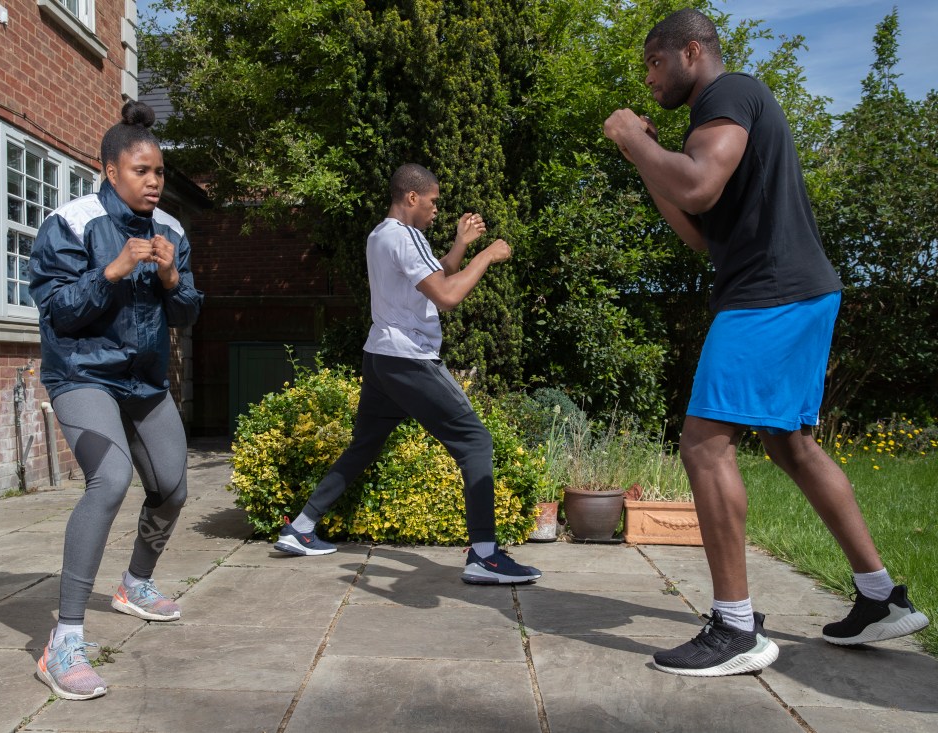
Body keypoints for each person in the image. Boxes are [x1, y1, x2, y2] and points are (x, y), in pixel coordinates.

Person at [603, 8, 928, 677]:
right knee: (791, 443)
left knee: (703, 442)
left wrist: (635, 139)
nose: (648, 76)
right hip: (795, 289)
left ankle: (735, 626)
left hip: (770, 294)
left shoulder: (728, 93)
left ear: (691, 51)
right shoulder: (715, 119)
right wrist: (644, 158)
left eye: (654, 62)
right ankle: (880, 598)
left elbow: (695, 182)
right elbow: (699, 225)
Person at [275, 163, 541, 585]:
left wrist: (461, 245)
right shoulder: (407, 236)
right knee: (475, 440)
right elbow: (448, 295)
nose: (436, 209)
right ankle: (485, 556)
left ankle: (302, 527)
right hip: (409, 359)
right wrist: (488, 255)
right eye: (433, 201)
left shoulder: (380, 235)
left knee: (365, 445)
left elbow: (434, 276)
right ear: (412, 197)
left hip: (380, 357)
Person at [29, 101, 203, 699]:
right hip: (80, 373)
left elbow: (188, 313)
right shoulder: (73, 222)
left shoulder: (172, 231)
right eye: (141, 171)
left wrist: (172, 282)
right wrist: (110, 271)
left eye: (159, 172)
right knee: (109, 480)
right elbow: (54, 310)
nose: (153, 181)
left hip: (144, 382)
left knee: (174, 487)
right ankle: (66, 639)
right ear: (109, 170)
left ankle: (134, 583)